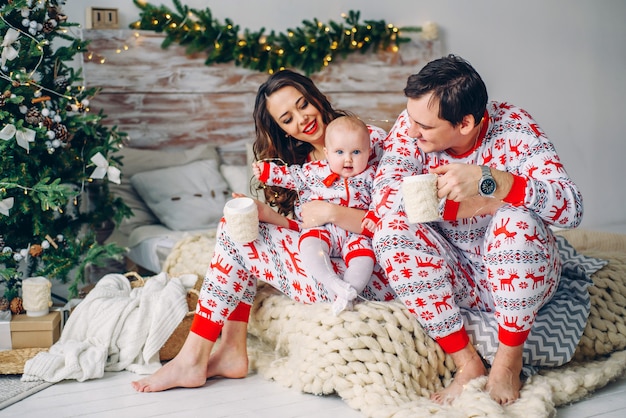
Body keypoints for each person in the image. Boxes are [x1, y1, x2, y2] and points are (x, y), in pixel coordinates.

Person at [131, 69, 393, 393]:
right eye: (288, 118)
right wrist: (267, 215)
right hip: (324, 263)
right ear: (282, 130)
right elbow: (313, 231)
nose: (302, 119)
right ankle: (225, 352)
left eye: (303, 104)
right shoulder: (304, 165)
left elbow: (393, 218)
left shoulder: (370, 140)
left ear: (316, 97)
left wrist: (333, 211)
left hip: (364, 273)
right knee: (240, 226)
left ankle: (206, 355)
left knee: (234, 238)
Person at [367, 54, 584, 405]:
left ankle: (507, 363)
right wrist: (466, 205)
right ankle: (467, 362)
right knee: (390, 230)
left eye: (424, 126)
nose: (410, 131)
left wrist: (493, 181)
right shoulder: (413, 126)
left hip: (523, 273)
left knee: (517, 220)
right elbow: (384, 197)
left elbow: (571, 207)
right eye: (410, 119)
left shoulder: (513, 127)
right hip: (457, 272)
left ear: (465, 123)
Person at [252, 116, 376, 315]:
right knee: (308, 246)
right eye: (339, 152)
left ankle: (349, 293)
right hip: (323, 229)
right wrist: (267, 172)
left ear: (368, 152)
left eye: (356, 152)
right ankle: (334, 284)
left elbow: (381, 204)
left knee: (365, 259)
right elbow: (293, 176)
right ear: (327, 153)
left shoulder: (372, 176)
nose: (348, 159)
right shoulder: (315, 171)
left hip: (356, 235)